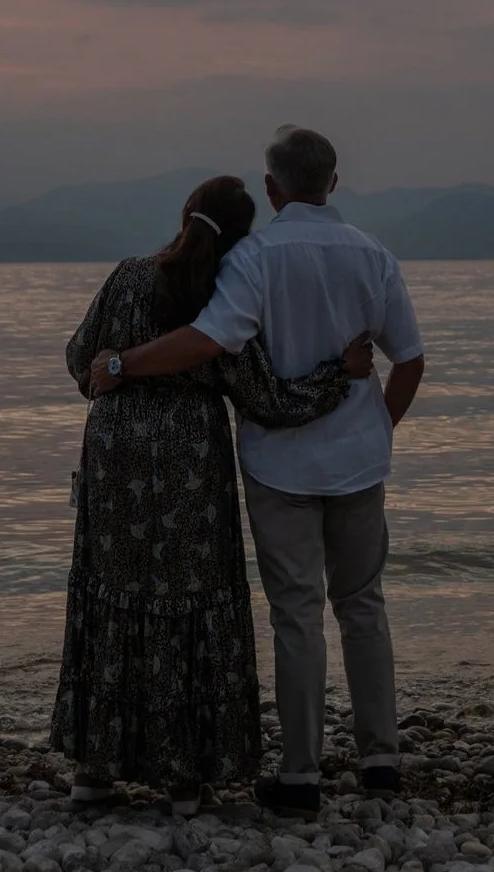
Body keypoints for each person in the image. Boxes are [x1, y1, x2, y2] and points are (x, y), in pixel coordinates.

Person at [91, 126, 426, 818]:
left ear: (272, 187)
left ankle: (301, 773)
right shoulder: (373, 253)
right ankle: (380, 758)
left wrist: (122, 362)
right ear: (333, 182)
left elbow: (210, 340)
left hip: (280, 466)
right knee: (362, 603)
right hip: (358, 460)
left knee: (297, 613)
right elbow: (410, 358)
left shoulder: (256, 257)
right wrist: (375, 428)